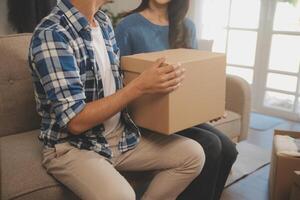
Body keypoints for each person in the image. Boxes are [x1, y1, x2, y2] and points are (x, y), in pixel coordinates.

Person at [28, 0, 206, 199]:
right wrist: (139, 85)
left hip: (118, 136)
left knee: (193, 154)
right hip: (73, 146)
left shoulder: (102, 23)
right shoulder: (52, 34)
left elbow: (118, 86)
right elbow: (76, 122)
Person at [115, 0, 238, 199]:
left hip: (181, 120)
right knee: (211, 144)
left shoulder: (186, 26)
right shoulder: (127, 27)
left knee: (229, 150)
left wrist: (207, 107)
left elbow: (194, 78)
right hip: (145, 120)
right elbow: (118, 83)